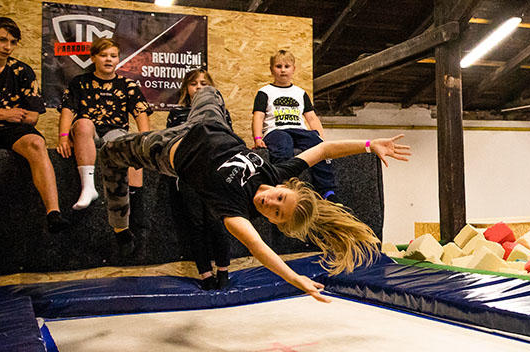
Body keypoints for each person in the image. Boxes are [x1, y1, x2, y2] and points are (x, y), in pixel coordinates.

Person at [100, 85, 410, 299]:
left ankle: (120, 227)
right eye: (279, 199)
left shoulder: (236, 212)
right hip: (208, 123)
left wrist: (293, 277)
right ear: (283, 187)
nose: (269, 203)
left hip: (166, 149)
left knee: (109, 154)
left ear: (274, 221)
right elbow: (324, 147)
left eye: (276, 213)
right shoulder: (275, 172)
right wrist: (370, 145)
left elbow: (260, 249)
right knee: (209, 90)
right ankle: (204, 98)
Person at [0, 16, 68, 232]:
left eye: (13, 42)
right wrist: (5, 114)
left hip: (14, 130)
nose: (8, 47)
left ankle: (53, 213)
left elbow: (32, 116)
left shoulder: (22, 71)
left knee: (36, 144)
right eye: (2, 40)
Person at [56, 36, 151, 211]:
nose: (108, 59)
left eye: (113, 56)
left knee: (131, 144)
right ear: (93, 58)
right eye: (103, 55)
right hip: (86, 132)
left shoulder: (127, 84)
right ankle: (88, 188)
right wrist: (62, 137)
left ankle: (135, 203)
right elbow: (67, 110)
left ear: (118, 59)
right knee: (83, 123)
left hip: (114, 131)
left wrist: (144, 139)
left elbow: (141, 112)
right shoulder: (80, 82)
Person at [167, 68, 231, 289]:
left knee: (217, 223)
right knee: (196, 225)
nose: (199, 88)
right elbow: (171, 143)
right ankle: (205, 273)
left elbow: (227, 139)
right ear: (186, 88)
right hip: (189, 175)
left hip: (214, 174)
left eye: (204, 84)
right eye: (194, 84)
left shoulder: (219, 112)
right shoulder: (178, 113)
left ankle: (223, 270)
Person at [252, 49, 336, 198]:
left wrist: (321, 140)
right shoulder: (265, 92)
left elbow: (311, 118)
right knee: (283, 144)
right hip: (276, 131)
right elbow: (258, 116)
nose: (283, 70)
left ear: (293, 69)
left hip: (299, 130)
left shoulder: (300, 93)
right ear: (272, 69)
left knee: (315, 143)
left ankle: (327, 191)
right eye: (278, 66)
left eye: (287, 66)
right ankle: (283, 185)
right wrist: (258, 138)